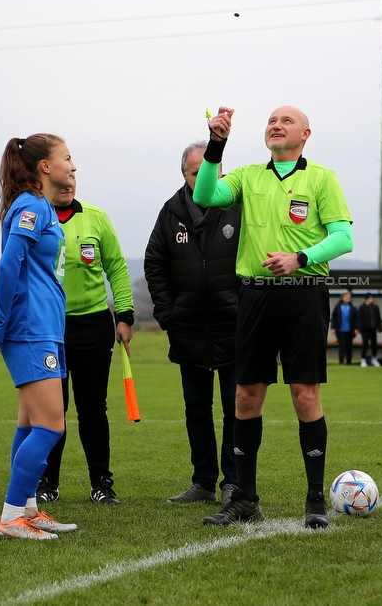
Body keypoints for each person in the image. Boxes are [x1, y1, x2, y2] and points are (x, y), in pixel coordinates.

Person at [193, 106, 353, 529]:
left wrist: (301, 257)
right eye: (270, 121)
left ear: (305, 133)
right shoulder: (248, 175)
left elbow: (344, 237)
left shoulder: (321, 177)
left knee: (305, 394)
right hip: (256, 297)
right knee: (246, 396)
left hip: (304, 295)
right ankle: (245, 497)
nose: (275, 125)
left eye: (285, 121)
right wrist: (216, 145)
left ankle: (315, 498)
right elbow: (204, 195)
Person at [0, 133, 78, 540]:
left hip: (45, 329)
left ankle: (29, 509)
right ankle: (9, 517)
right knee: (51, 427)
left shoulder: (43, 207)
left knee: (30, 422)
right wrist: (1, 324)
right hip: (29, 330)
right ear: (44, 167)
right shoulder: (29, 206)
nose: (73, 166)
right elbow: (8, 266)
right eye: (67, 158)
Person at [145, 140, 242, 505]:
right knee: (197, 411)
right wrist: (169, 314)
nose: (200, 176)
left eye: (208, 170)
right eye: (192, 171)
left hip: (233, 327)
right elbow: (154, 263)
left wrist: (244, 308)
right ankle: (203, 482)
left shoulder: (238, 205)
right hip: (188, 330)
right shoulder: (170, 212)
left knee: (236, 410)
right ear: (184, 174)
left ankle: (233, 482)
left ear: (220, 171)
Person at [35, 177, 134, 506]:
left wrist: (125, 314)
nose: (68, 185)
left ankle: (101, 484)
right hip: (50, 326)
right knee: (54, 408)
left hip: (93, 325)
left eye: (73, 179)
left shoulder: (96, 217)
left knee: (93, 408)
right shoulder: (34, 216)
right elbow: (16, 268)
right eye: (63, 181)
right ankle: (47, 482)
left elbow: (117, 267)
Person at [330, 290, 358, 365]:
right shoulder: (338, 306)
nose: (347, 298)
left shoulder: (353, 306)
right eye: (345, 297)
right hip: (341, 330)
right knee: (342, 346)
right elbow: (334, 318)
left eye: (348, 297)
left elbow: (356, 318)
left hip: (350, 330)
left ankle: (349, 361)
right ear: (342, 297)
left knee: (349, 346)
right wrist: (333, 327)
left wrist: (356, 328)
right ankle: (341, 361)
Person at [357, 294, 382, 367]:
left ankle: (374, 358)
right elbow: (359, 318)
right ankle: (363, 359)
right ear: (366, 299)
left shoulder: (375, 307)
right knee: (365, 344)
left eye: (372, 298)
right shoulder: (362, 307)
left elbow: (378, 317)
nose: (371, 300)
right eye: (370, 298)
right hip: (365, 329)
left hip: (373, 328)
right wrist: (359, 328)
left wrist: (379, 327)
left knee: (374, 344)